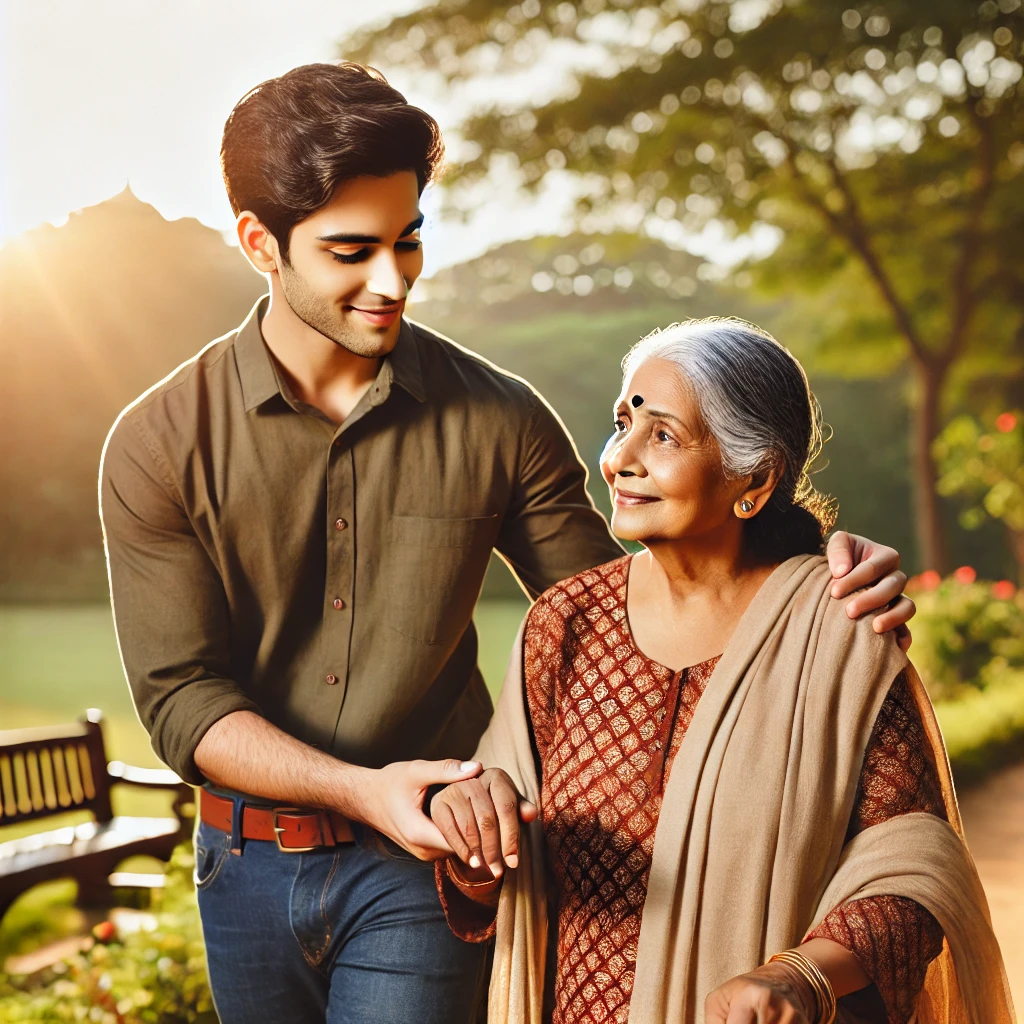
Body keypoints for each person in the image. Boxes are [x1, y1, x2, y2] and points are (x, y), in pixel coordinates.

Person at [99, 63, 917, 1024]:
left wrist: (799, 566)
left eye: (409, 241)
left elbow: (633, 606)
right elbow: (183, 700)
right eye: (351, 251)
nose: (392, 278)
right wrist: (362, 790)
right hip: (242, 866)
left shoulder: (499, 418)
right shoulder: (158, 444)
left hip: (434, 866)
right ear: (260, 245)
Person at [429, 318, 1015, 1024]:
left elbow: (913, 872)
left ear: (756, 479)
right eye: (624, 423)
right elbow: (494, 857)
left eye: (665, 436)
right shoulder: (566, 624)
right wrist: (470, 832)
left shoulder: (837, 633)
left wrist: (801, 978)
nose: (621, 458)